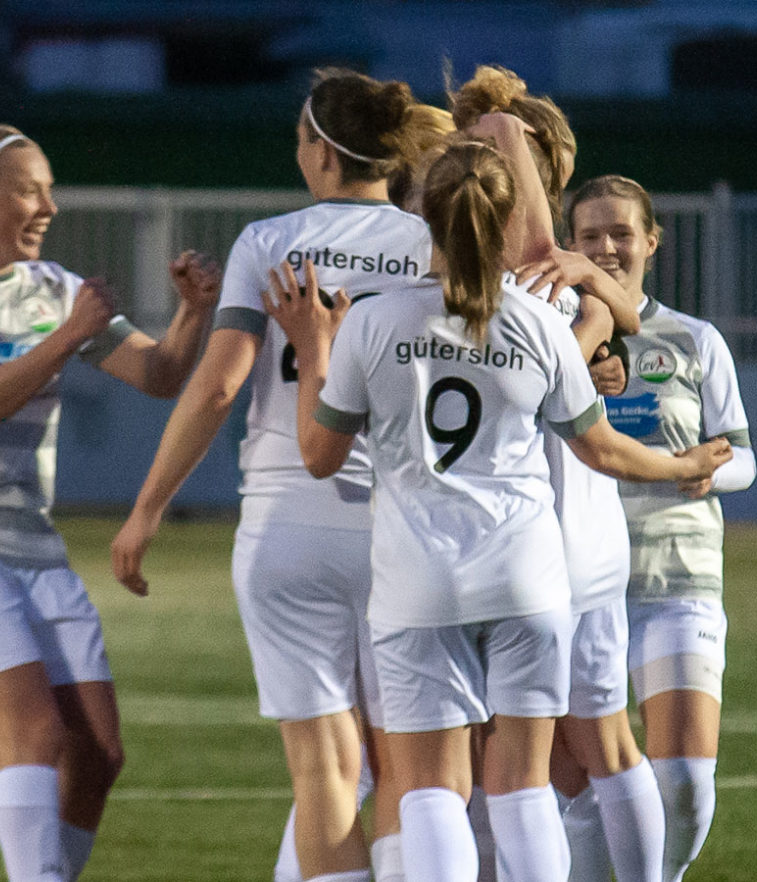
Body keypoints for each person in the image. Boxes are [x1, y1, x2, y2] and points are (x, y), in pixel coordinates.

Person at [265, 140, 731, 882]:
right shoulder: (541, 325)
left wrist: (312, 351)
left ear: (427, 222)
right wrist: (684, 464)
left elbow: (320, 456)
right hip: (527, 579)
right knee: (521, 786)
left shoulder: (376, 323)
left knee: (433, 790)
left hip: (419, 580)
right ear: (509, 220)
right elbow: (603, 450)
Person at [0, 123, 220, 882]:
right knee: (33, 731)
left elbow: (159, 377)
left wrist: (192, 313)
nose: (48, 205)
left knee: (97, 753)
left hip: (27, 541)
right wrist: (66, 340)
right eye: (29, 189)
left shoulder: (52, 288)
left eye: (49, 189)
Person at [109, 69, 435, 882]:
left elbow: (217, 386)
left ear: (323, 150)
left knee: (324, 771)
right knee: (406, 767)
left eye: (300, 138)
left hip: (289, 523)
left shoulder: (270, 241)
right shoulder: (429, 246)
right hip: (403, 526)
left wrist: (147, 508)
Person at [451, 74, 666, 882]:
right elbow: (622, 314)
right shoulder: (558, 280)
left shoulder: (528, 278)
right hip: (568, 537)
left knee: (509, 754)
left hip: (539, 541)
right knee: (577, 749)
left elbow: (591, 344)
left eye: (476, 154)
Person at [567, 174, 757, 882]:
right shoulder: (554, 336)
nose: (607, 247)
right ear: (569, 245)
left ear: (652, 240)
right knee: (585, 786)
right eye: (590, 235)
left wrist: (706, 473)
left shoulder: (694, 339)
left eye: (621, 233)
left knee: (683, 782)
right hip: (579, 583)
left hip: (678, 580)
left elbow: (741, 453)